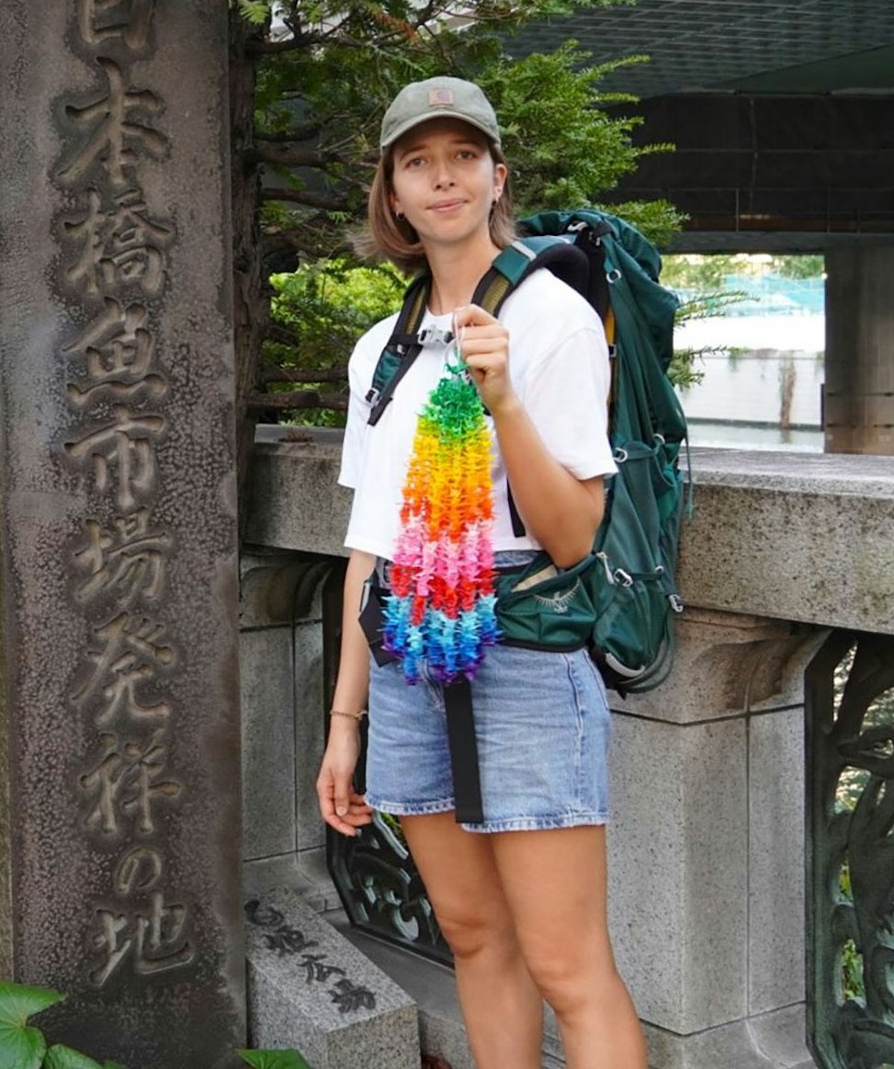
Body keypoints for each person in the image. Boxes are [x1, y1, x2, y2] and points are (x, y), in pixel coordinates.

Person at [315, 76, 647, 1068]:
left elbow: (575, 533)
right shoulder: (382, 350)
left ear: (496, 175)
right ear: (392, 192)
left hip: (525, 653)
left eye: (462, 156)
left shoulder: (550, 318)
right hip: (409, 653)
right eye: (417, 161)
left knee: (565, 963)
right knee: (471, 934)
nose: (441, 177)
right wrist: (345, 725)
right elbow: (366, 552)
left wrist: (500, 396)